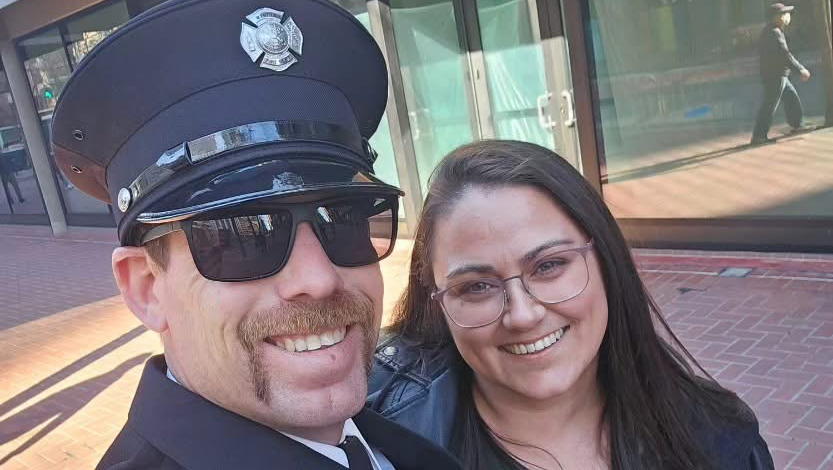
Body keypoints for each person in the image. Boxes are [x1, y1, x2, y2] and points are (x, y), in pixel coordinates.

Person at [50, 0, 462, 469]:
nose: (318, 279)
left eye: (344, 221)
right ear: (146, 288)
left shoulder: (391, 435)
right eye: (243, 236)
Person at [368, 140, 775, 469]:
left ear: (606, 262)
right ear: (437, 304)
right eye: (476, 287)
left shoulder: (718, 439)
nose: (523, 315)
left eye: (548, 266)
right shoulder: (385, 455)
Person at [751, 3, 812, 145]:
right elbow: (785, 55)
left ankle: (798, 124)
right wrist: (800, 69)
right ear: (776, 17)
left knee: (791, 98)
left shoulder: (772, 31)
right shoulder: (774, 33)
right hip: (776, 75)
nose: (787, 16)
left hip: (777, 74)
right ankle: (759, 136)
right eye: (784, 14)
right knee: (769, 105)